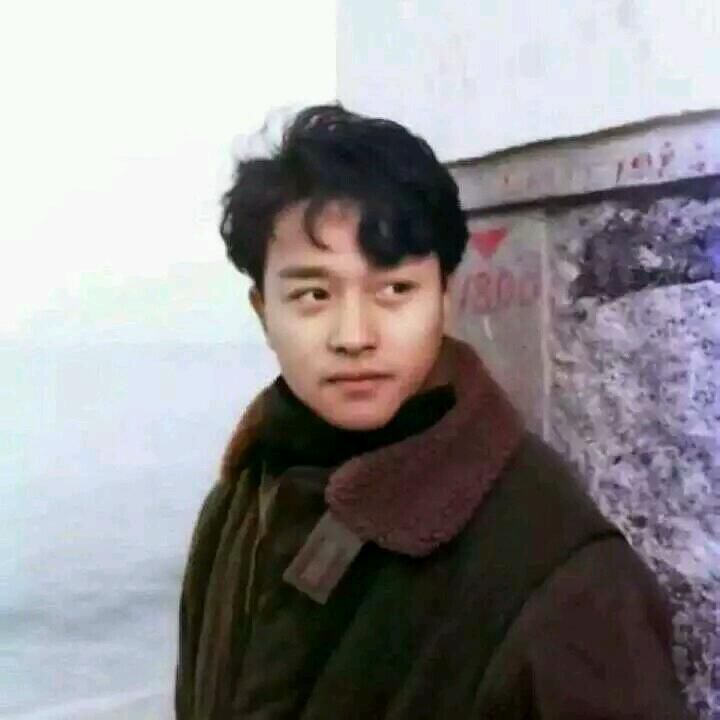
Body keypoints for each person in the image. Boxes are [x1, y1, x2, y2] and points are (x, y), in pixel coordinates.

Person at [174, 104, 689, 719]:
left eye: (395, 289)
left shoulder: (564, 579)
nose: (354, 336)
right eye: (313, 294)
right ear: (264, 311)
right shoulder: (239, 504)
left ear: (445, 297)